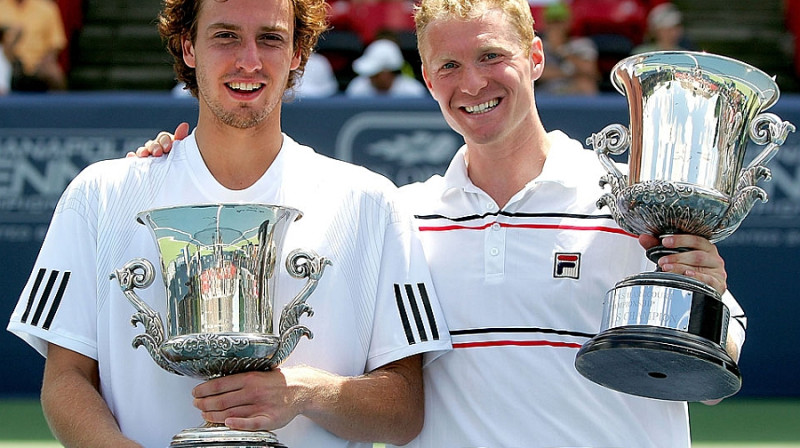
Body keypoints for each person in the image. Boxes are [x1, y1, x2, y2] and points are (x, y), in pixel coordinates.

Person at [134, 0, 747, 446]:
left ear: (534, 58)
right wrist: (179, 166)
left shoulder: (631, 202)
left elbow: (715, 370)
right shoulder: (402, 215)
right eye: (448, 66)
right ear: (426, 79)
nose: (472, 82)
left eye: (490, 56)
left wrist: (707, 293)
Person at [6, 0, 451, 447]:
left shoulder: (372, 204)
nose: (249, 60)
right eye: (226, 36)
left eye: (271, 38)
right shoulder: (99, 196)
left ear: (298, 53)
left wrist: (307, 392)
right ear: (188, 47)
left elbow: (405, 410)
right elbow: (65, 380)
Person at [0, 0, 67, 91]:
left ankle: (61, 104)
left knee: (55, 75)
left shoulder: (47, 8)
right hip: (8, 61)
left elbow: (55, 45)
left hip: (38, 64)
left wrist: (45, 62)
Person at [537, 1, 600, 95]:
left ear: (568, 22)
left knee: (586, 85)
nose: (556, 27)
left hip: (573, 88)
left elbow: (590, 72)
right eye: (552, 22)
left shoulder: (582, 44)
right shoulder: (538, 45)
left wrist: (561, 49)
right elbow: (539, 74)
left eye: (559, 22)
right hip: (547, 91)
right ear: (545, 23)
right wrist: (569, 73)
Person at [345, 38, 427, 98]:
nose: (371, 77)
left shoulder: (413, 92)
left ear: (389, 71)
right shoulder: (357, 88)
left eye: (376, 74)